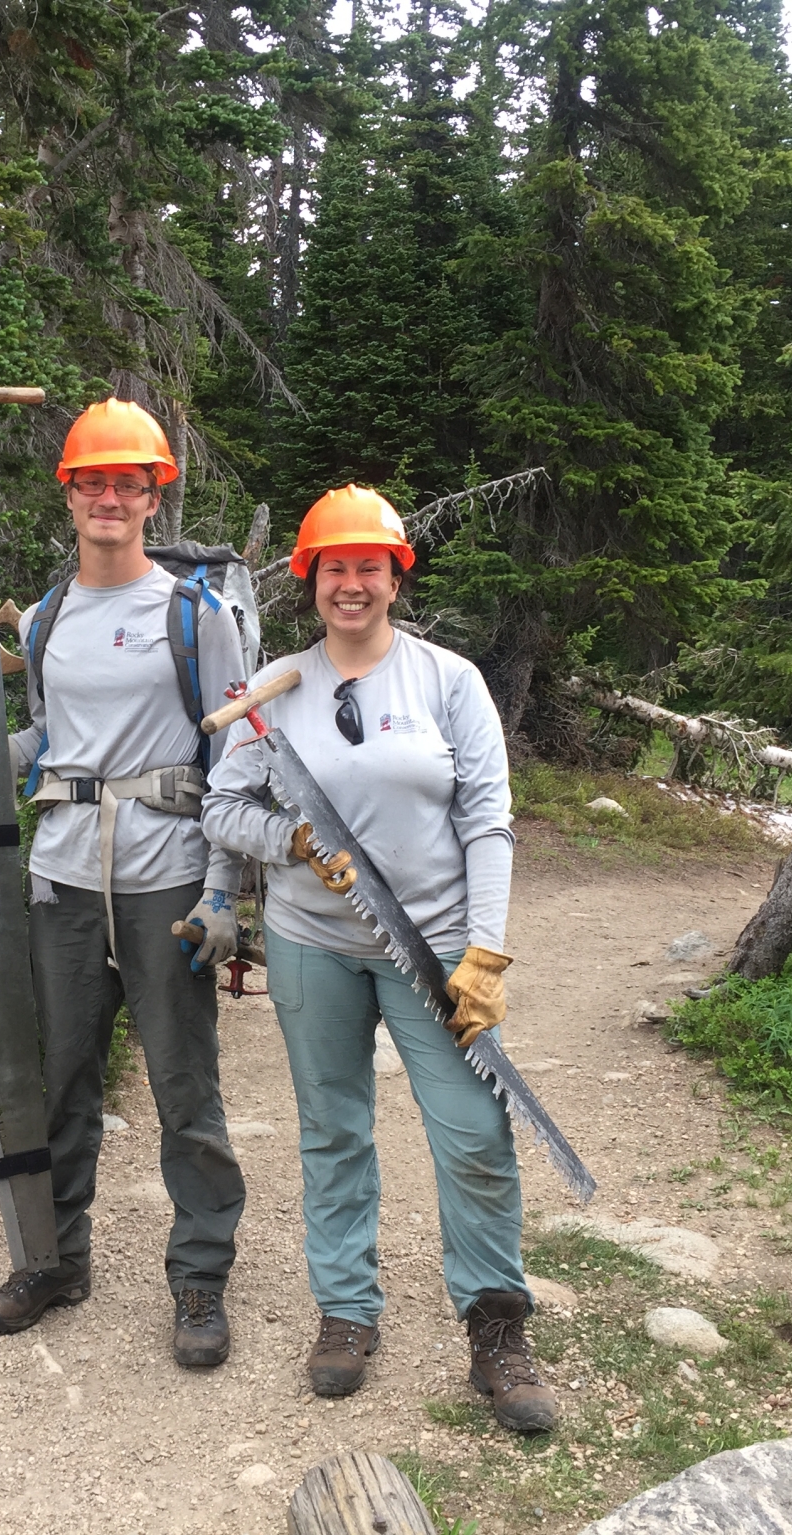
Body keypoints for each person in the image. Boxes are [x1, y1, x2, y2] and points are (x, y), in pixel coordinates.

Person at [200, 485, 557, 1432]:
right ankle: (347, 1312)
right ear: (307, 579)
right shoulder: (274, 692)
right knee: (332, 1129)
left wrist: (486, 949)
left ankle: (495, 1326)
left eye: (369, 566)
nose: (350, 584)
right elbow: (222, 812)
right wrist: (290, 846)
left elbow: (488, 819)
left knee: (474, 1133)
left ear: (396, 575)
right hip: (312, 944)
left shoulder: (448, 681)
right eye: (333, 568)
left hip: (432, 943)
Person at [0, 398, 249, 1368]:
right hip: (63, 877)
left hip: (163, 876)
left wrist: (224, 894)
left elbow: (235, 759)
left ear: (153, 499)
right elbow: (50, 736)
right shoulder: (43, 619)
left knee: (182, 1086)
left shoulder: (193, 617)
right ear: (70, 494)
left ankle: (200, 1278)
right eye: (94, 482)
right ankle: (54, 1259)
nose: (110, 499)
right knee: (63, 1082)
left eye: (130, 483)